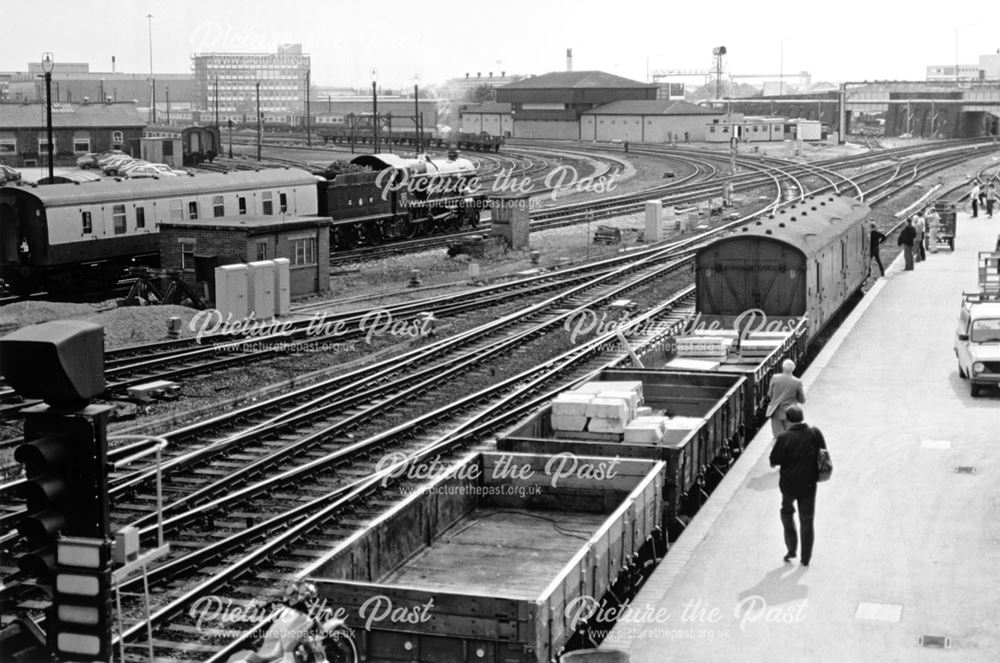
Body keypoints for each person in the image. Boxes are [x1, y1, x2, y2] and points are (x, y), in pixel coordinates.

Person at [769, 405, 826, 566]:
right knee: (807, 520)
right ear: (802, 416)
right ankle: (805, 558)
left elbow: (774, 460)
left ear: (788, 420)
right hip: (809, 484)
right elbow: (824, 453)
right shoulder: (815, 433)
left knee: (787, 513)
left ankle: (792, 549)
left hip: (788, 485)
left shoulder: (784, 437)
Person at [766, 359, 805, 438]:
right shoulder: (797, 382)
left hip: (776, 412)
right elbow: (802, 400)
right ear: (793, 369)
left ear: (782, 368)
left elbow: (770, 394)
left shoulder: (774, 378)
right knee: (791, 437)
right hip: (791, 414)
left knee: (778, 437)